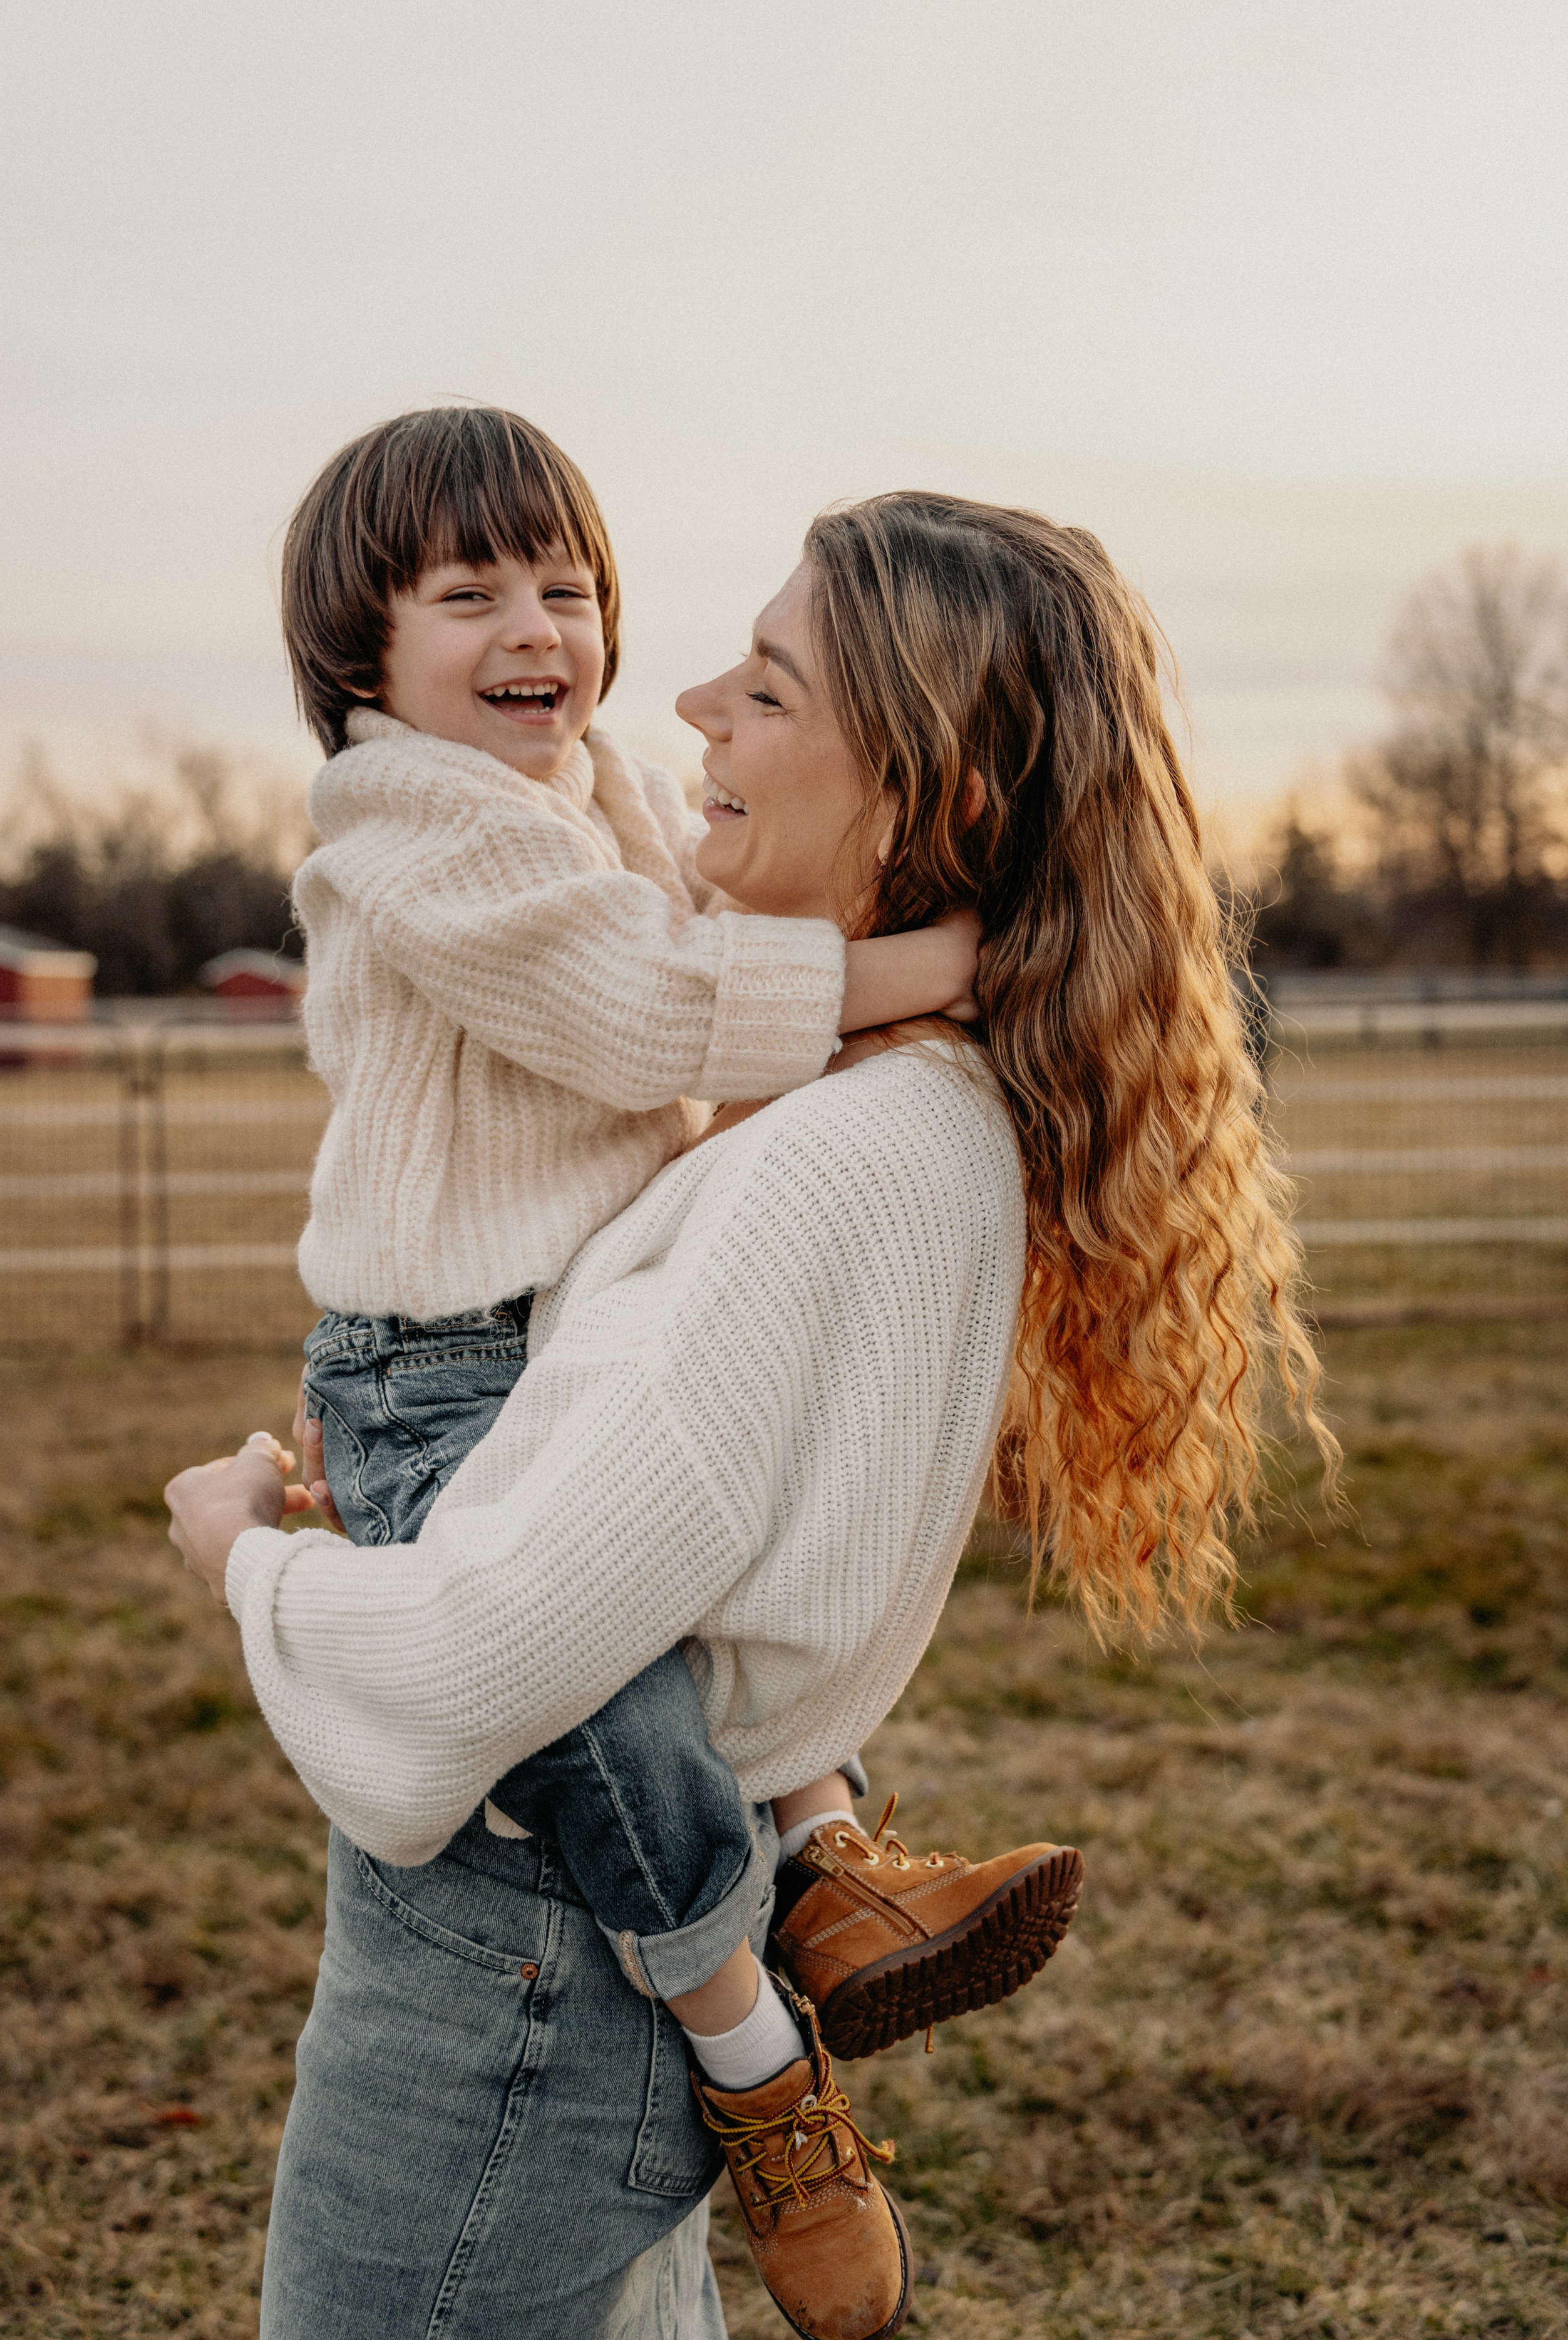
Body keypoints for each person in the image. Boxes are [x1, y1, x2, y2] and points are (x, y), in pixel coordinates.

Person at [166, 490, 1334, 2339]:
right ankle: (816, 1876)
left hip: (523, 1972)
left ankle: (776, 2000)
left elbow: (490, 1658)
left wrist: (247, 1572)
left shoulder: (834, 1165)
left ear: (922, 795)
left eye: (769, 691)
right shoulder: (885, 1113)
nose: (691, 703)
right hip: (563, 1969)